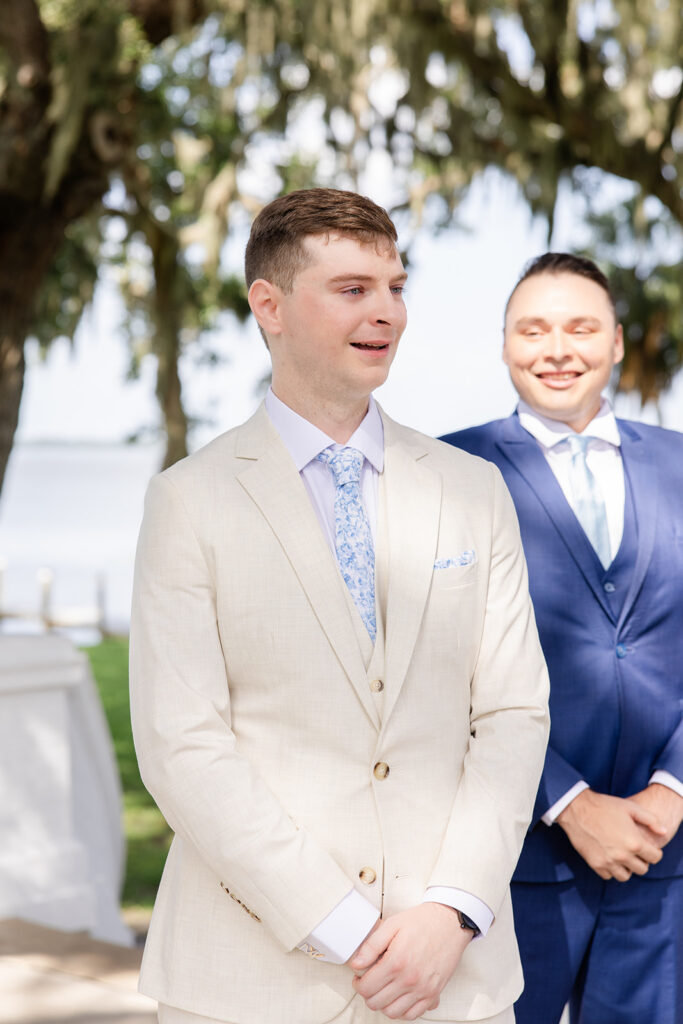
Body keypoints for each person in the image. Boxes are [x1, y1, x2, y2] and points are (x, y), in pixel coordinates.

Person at [129, 187, 549, 1024]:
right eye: (352, 289)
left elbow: (512, 712)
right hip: (247, 985)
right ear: (269, 306)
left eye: (395, 287)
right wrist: (346, 927)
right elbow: (183, 746)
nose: (386, 311)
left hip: (449, 979)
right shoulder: (189, 501)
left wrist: (450, 910)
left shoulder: (472, 490)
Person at [442, 252, 683, 1024]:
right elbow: (435, 667)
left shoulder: (680, 464)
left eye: (579, 328)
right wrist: (571, 805)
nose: (556, 350)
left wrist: (672, 789)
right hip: (513, 862)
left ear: (615, 341)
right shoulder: (446, 471)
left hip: (665, 861)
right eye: (531, 330)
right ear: (503, 344)